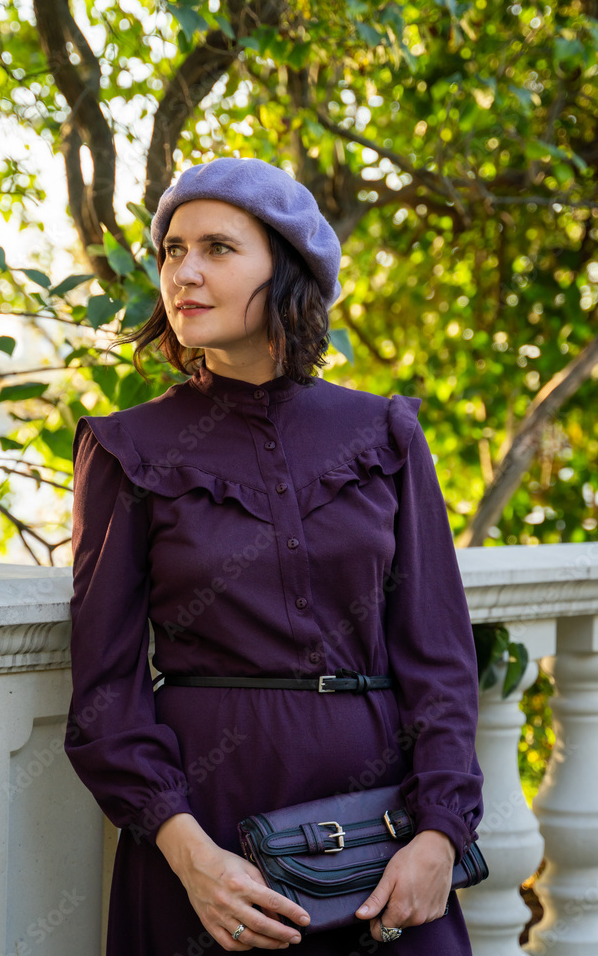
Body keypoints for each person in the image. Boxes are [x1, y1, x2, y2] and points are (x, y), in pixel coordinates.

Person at [64, 156, 484, 956]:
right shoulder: (126, 448)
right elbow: (105, 689)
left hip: (384, 830)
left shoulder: (385, 434)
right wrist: (190, 857)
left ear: (286, 268)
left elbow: (438, 655)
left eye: (217, 248)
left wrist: (439, 833)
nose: (182, 272)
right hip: (208, 832)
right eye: (172, 250)